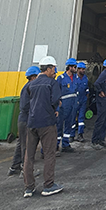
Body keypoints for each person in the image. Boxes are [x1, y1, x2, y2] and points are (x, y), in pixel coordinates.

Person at [23, 56, 63, 198]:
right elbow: (55, 100)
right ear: (49, 68)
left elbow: (25, 104)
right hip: (47, 123)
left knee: (29, 155)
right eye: (54, 69)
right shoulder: (52, 83)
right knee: (49, 154)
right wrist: (53, 110)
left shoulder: (31, 84)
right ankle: (48, 185)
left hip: (31, 123)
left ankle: (28, 188)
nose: (55, 72)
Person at [8, 66, 40, 176]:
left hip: (22, 119)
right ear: (33, 77)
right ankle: (26, 171)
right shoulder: (31, 87)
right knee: (27, 145)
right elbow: (28, 105)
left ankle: (14, 167)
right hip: (27, 119)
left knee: (20, 144)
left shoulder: (26, 87)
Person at [56, 58, 78, 153]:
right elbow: (56, 92)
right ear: (69, 67)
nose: (76, 69)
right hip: (63, 105)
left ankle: (65, 144)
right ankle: (56, 145)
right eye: (74, 67)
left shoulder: (76, 78)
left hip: (73, 105)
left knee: (69, 124)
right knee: (59, 125)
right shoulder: (61, 78)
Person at [91, 58, 106, 150]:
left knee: (105, 120)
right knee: (100, 120)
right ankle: (95, 140)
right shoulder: (104, 74)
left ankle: (101, 139)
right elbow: (96, 84)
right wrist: (101, 91)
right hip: (102, 101)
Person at [69, 61, 89, 143]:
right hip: (74, 101)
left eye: (84, 69)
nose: (83, 70)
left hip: (83, 101)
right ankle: (71, 135)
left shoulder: (85, 78)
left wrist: (86, 99)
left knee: (81, 119)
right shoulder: (73, 78)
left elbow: (87, 90)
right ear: (78, 69)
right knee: (73, 118)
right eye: (81, 69)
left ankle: (80, 134)